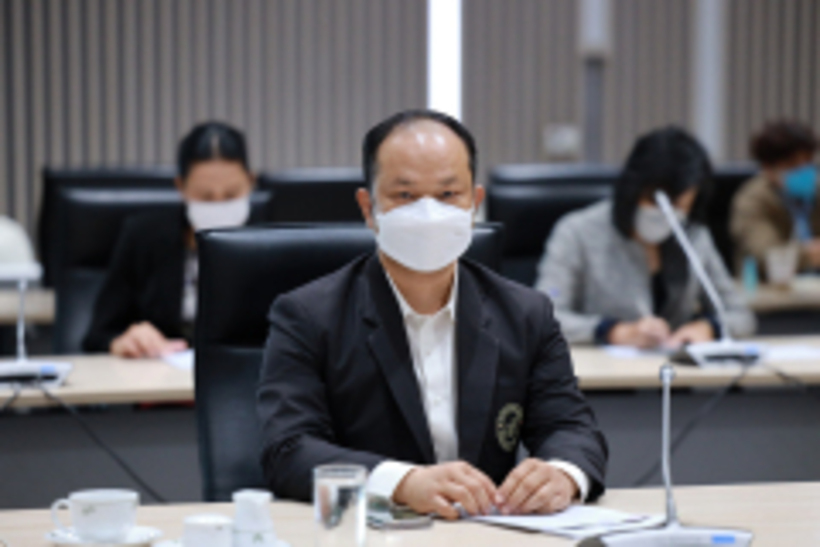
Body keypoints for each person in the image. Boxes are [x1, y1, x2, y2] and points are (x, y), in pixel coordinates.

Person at [257, 110, 607, 519]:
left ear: (474, 204)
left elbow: (572, 428)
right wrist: (403, 483)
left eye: (448, 194)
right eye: (405, 196)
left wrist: (562, 474)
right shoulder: (308, 316)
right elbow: (288, 449)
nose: (428, 214)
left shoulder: (526, 313)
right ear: (368, 208)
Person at [535, 127, 755, 348]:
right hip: (602, 368)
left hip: (674, 366)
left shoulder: (694, 237)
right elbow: (543, 318)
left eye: (679, 206)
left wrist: (708, 328)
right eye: (655, 201)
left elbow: (741, 315)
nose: (665, 214)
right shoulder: (577, 232)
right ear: (632, 188)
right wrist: (612, 331)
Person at [83, 122, 257, 358]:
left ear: (251, 182)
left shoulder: (275, 241)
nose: (219, 206)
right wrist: (125, 340)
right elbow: (97, 336)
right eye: (206, 197)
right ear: (181, 187)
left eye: (231, 195)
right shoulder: (143, 236)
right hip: (159, 375)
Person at [731, 120, 820, 277]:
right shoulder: (752, 200)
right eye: (792, 164)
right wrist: (808, 255)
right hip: (768, 288)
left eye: (808, 162)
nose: (803, 170)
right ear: (767, 168)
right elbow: (766, 256)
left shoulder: (816, 191)